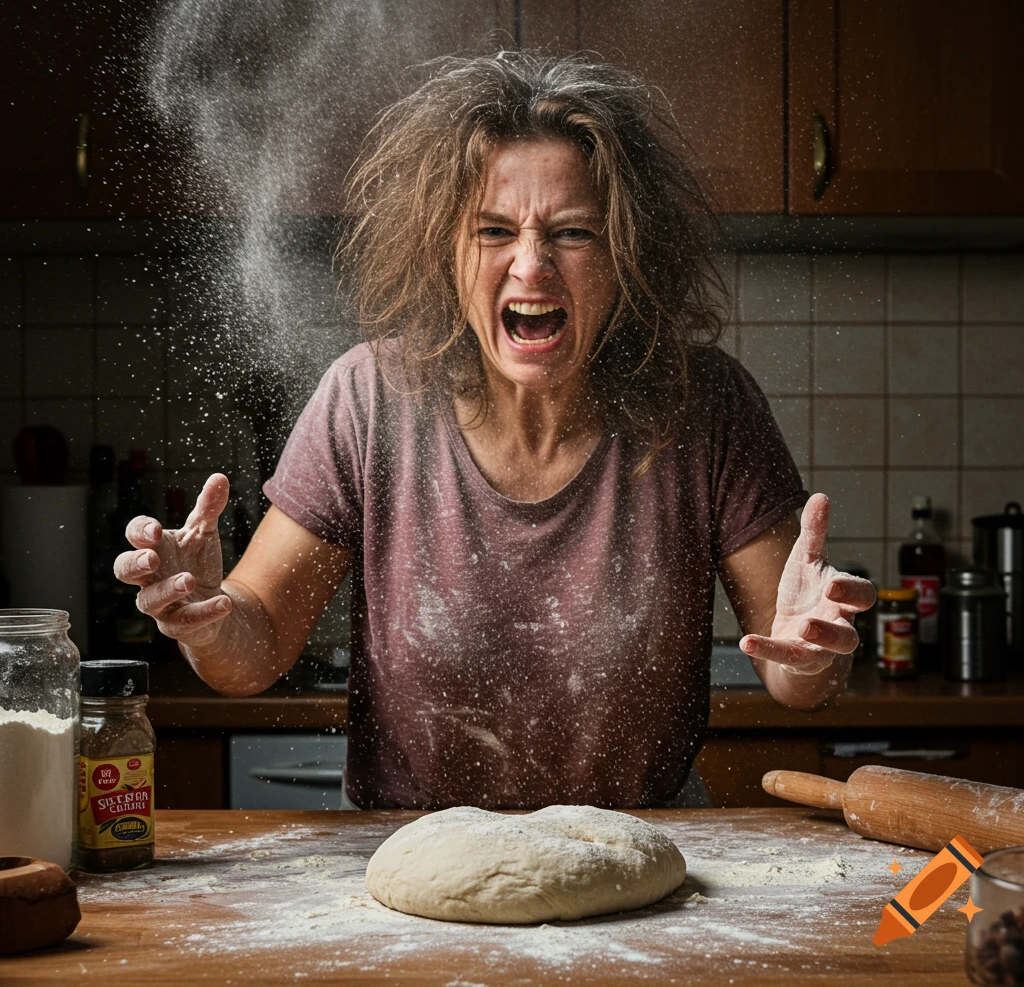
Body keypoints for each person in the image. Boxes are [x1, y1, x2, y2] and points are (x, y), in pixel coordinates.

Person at [114, 53, 875, 810]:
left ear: (626, 252)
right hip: (411, 862)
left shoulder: (705, 405)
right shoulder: (369, 398)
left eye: (574, 232)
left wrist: (812, 651)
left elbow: (792, 671)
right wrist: (206, 617)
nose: (532, 265)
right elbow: (252, 652)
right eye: (493, 230)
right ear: (443, 250)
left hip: (644, 852)